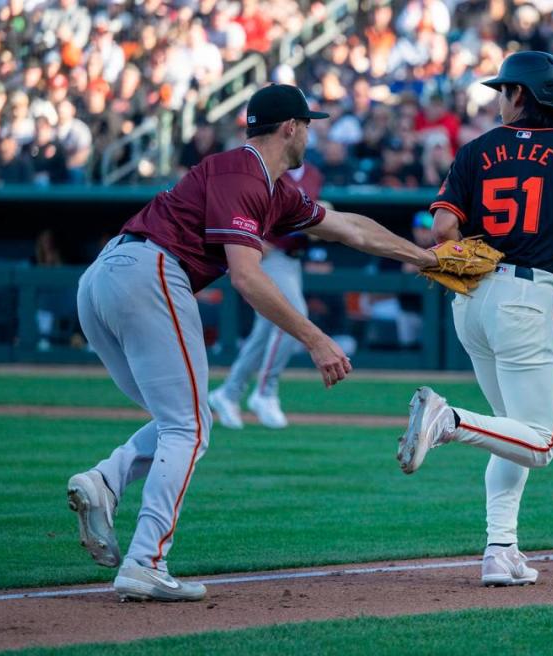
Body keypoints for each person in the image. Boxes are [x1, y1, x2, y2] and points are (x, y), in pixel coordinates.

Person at [68, 84, 437, 602]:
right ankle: (145, 561)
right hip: (150, 271)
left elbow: (348, 228)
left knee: (183, 421)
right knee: (189, 427)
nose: (310, 131)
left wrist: (425, 258)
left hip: (105, 277)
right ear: (290, 127)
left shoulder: (272, 187)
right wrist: (315, 339)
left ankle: (104, 481)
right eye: (308, 123)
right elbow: (246, 275)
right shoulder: (243, 172)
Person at [395, 52, 553, 586]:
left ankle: (501, 551)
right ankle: (447, 420)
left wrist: (469, 258)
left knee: (511, 433)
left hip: (471, 299)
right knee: (540, 442)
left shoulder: (477, 149)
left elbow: (443, 231)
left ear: (522, 95)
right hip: (528, 298)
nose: (500, 98)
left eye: (505, 90)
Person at [208, 160, 325, 429]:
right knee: (292, 316)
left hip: (293, 257)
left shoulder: (313, 173)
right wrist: (252, 238)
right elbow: (233, 205)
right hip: (267, 254)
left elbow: (309, 212)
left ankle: (229, 392)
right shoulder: (270, 169)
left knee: (266, 328)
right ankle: (265, 391)